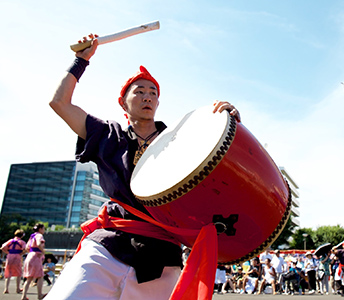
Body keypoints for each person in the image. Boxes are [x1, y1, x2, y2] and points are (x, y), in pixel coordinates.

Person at [47, 34, 240, 300]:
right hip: (108, 244)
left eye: (153, 93)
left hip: (161, 254)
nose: (147, 97)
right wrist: (81, 61)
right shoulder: (106, 135)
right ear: (123, 102)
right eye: (139, 91)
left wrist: (228, 122)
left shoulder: (179, 140)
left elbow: (216, 172)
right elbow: (59, 103)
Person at [22, 223, 46, 300]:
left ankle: (24, 296)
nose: (44, 230)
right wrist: (43, 251)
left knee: (29, 278)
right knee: (40, 276)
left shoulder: (32, 236)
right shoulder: (39, 235)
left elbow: (26, 247)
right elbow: (39, 244)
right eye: (43, 228)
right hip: (36, 256)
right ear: (40, 229)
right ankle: (40, 295)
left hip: (30, 255)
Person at [1, 229, 27, 294]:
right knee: (18, 273)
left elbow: (2, 247)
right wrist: (21, 253)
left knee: (8, 273)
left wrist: (7, 252)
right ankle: (17, 288)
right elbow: (25, 249)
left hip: (10, 256)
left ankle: (6, 289)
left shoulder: (10, 241)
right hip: (17, 256)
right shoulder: (22, 242)